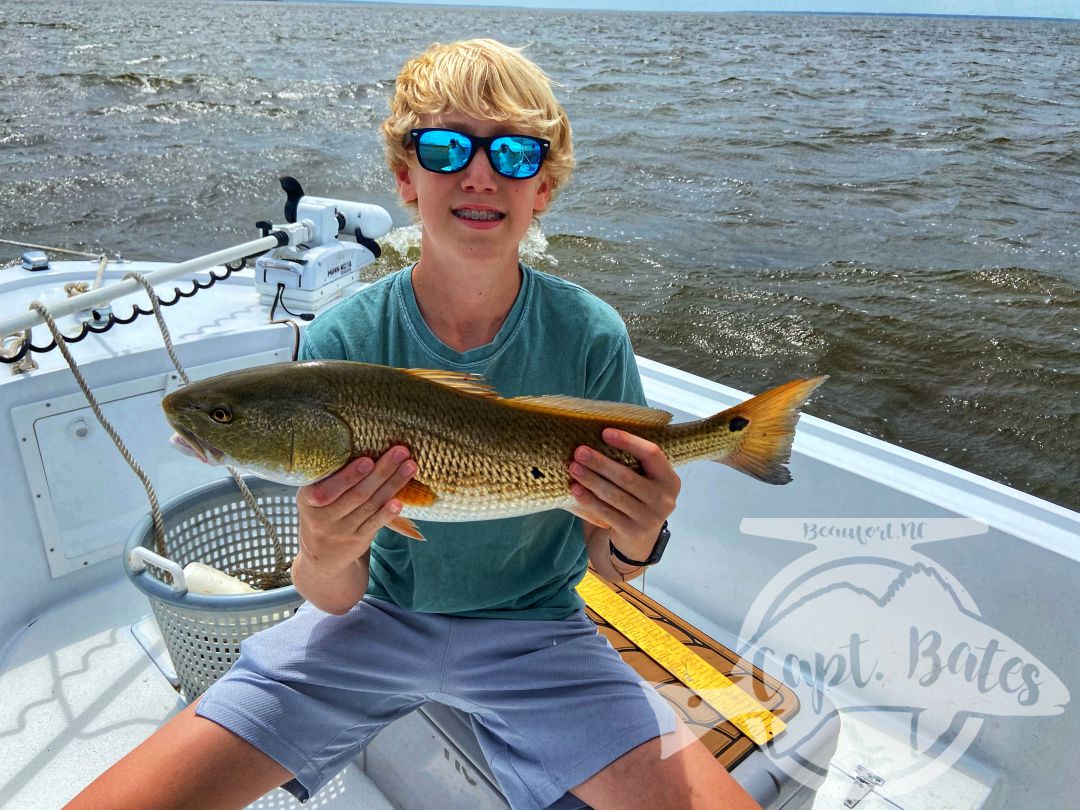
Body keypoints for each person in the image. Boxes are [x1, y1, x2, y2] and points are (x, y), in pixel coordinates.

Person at [66, 39, 760, 810]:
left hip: (541, 632)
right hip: (374, 621)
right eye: (446, 147)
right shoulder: (340, 344)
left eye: (517, 154)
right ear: (406, 175)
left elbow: (609, 566)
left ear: (545, 189)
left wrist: (639, 531)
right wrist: (328, 548)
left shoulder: (591, 334)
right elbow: (331, 595)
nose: (481, 173)